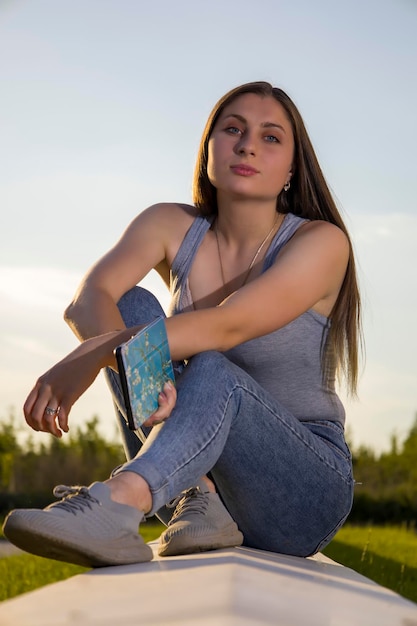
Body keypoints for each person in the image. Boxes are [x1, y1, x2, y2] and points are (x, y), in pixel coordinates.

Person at [3, 81, 362, 568]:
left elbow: (229, 325)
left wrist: (90, 356)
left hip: (302, 489)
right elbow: (89, 299)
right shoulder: (169, 225)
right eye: (232, 129)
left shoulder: (322, 243)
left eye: (270, 137)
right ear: (208, 148)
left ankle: (118, 502)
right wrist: (106, 346)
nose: (248, 144)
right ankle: (199, 496)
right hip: (192, 485)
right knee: (130, 306)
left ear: (292, 169)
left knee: (210, 366)